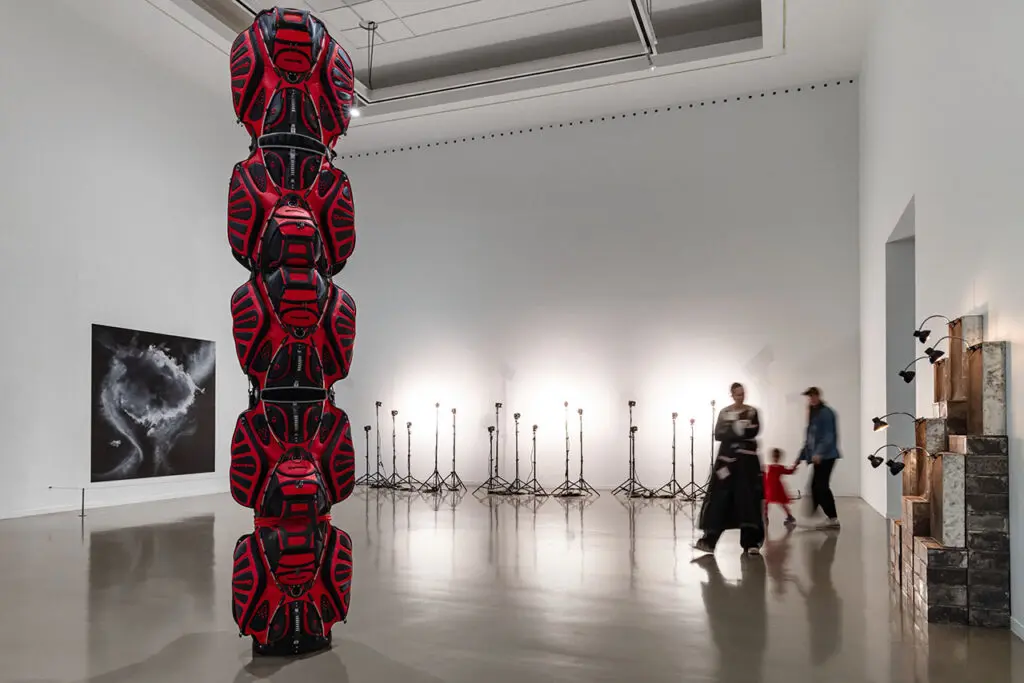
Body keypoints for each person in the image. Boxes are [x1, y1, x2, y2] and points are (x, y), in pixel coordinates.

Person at [694, 382, 765, 555]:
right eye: (737, 394)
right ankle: (710, 540)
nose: (741, 397)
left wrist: (735, 430)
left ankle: (751, 543)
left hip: (747, 464)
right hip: (726, 463)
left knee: (748, 500)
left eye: (742, 393)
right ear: (732, 395)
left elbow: (753, 431)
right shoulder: (724, 412)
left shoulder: (752, 412)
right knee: (720, 499)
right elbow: (719, 433)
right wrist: (737, 429)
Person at [797, 387, 840, 528]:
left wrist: (819, 453)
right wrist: (800, 456)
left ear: (818, 396)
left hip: (827, 456)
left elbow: (829, 435)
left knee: (821, 487)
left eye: (813, 396)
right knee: (816, 486)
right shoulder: (813, 413)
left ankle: (831, 519)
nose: (811, 399)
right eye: (809, 397)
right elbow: (809, 439)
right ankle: (820, 516)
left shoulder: (826, 413)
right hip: (819, 457)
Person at [763, 448, 797, 527]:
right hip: (773, 488)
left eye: (776, 456)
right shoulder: (774, 467)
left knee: (768, 502)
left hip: (773, 488)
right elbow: (790, 471)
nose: (775, 458)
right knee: (779, 503)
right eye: (775, 456)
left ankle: (765, 517)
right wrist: (795, 465)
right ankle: (789, 516)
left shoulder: (770, 467)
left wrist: (795, 466)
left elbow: (790, 471)